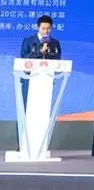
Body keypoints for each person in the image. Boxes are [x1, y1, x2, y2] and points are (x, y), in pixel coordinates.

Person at [17, 15, 62, 150]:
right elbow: (24, 59)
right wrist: (39, 51)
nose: (45, 31)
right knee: (25, 111)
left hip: (46, 82)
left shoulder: (55, 43)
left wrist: (49, 54)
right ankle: (22, 144)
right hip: (29, 81)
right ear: (38, 27)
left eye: (48, 29)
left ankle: (40, 145)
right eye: (43, 28)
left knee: (42, 113)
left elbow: (58, 61)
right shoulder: (28, 41)